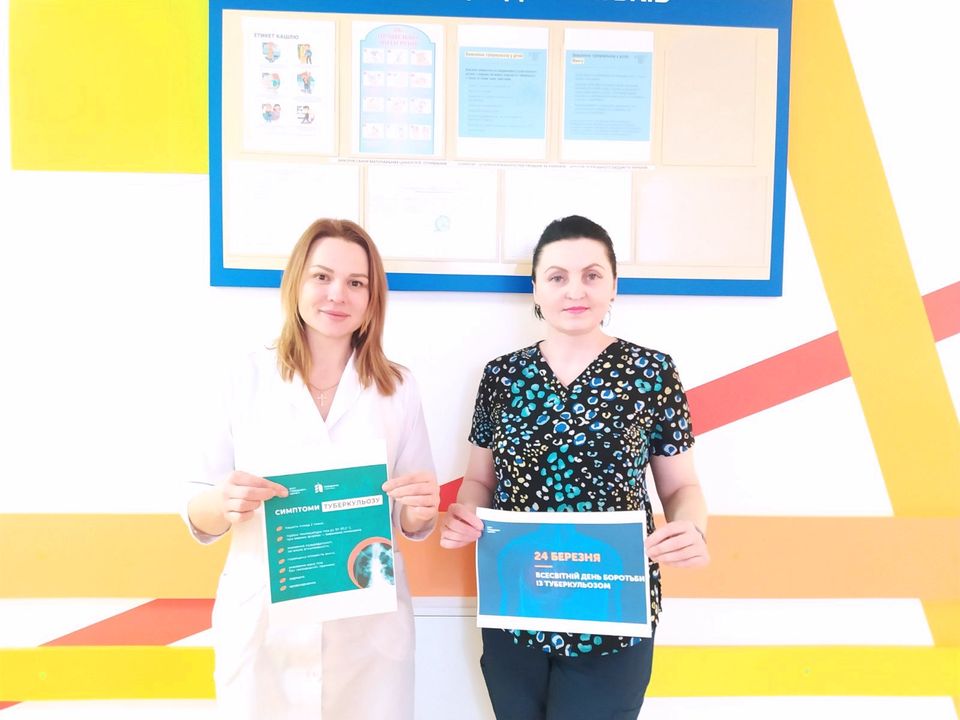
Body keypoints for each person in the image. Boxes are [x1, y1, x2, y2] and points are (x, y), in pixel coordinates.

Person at [440, 215, 709, 719]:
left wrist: (692, 528)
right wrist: (466, 512)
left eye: (592, 275)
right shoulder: (501, 376)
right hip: (516, 602)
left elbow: (681, 487)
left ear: (613, 286)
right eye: (557, 276)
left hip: (613, 608)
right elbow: (479, 480)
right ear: (536, 289)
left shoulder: (652, 372)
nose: (575, 290)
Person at [183, 218, 439, 720]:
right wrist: (222, 500)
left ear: (372, 298)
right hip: (265, 624)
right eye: (322, 276)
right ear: (296, 282)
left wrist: (420, 509)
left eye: (356, 282)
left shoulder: (398, 387)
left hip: (367, 631)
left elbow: (413, 518)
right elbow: (197, 510)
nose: (337, 294)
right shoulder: (242, 377)